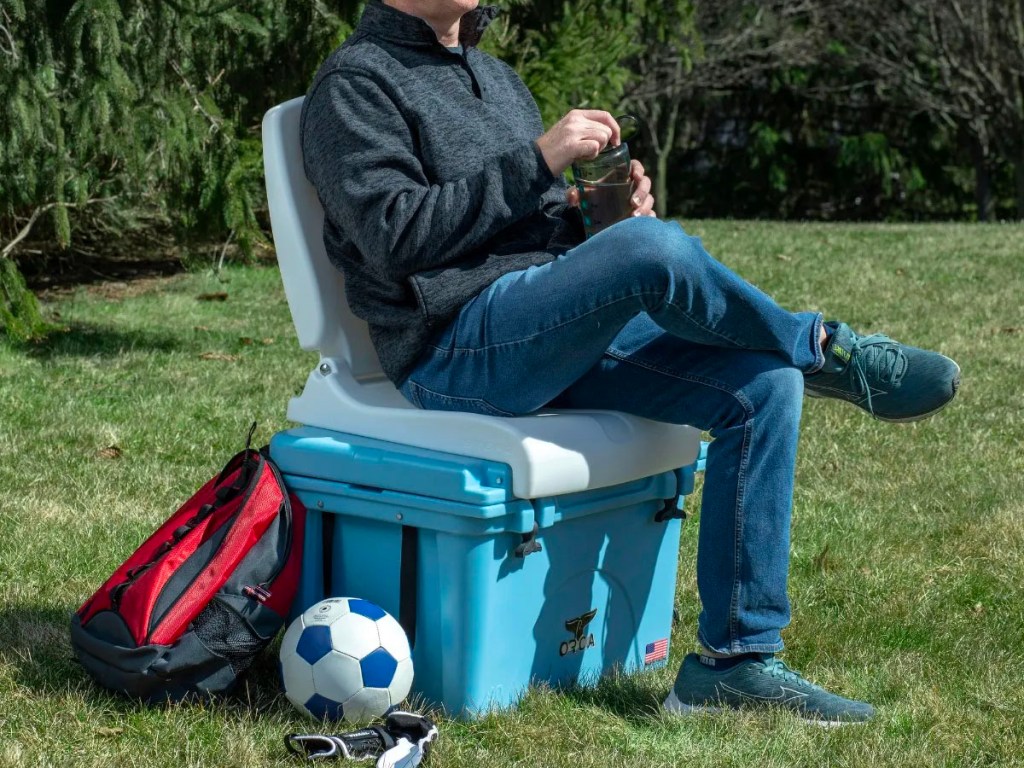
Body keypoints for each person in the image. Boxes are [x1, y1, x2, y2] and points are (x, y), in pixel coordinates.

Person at [300, 0, 960, 725]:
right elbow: (396, 237)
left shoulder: (498, 78)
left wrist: (605, 223)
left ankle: (733, 665)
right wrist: (541, 162)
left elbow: (537, 227)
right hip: (452, 346)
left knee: (760, 387)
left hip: (542, 327)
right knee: (656, 258)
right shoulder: (355, 84)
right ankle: (822, 348)